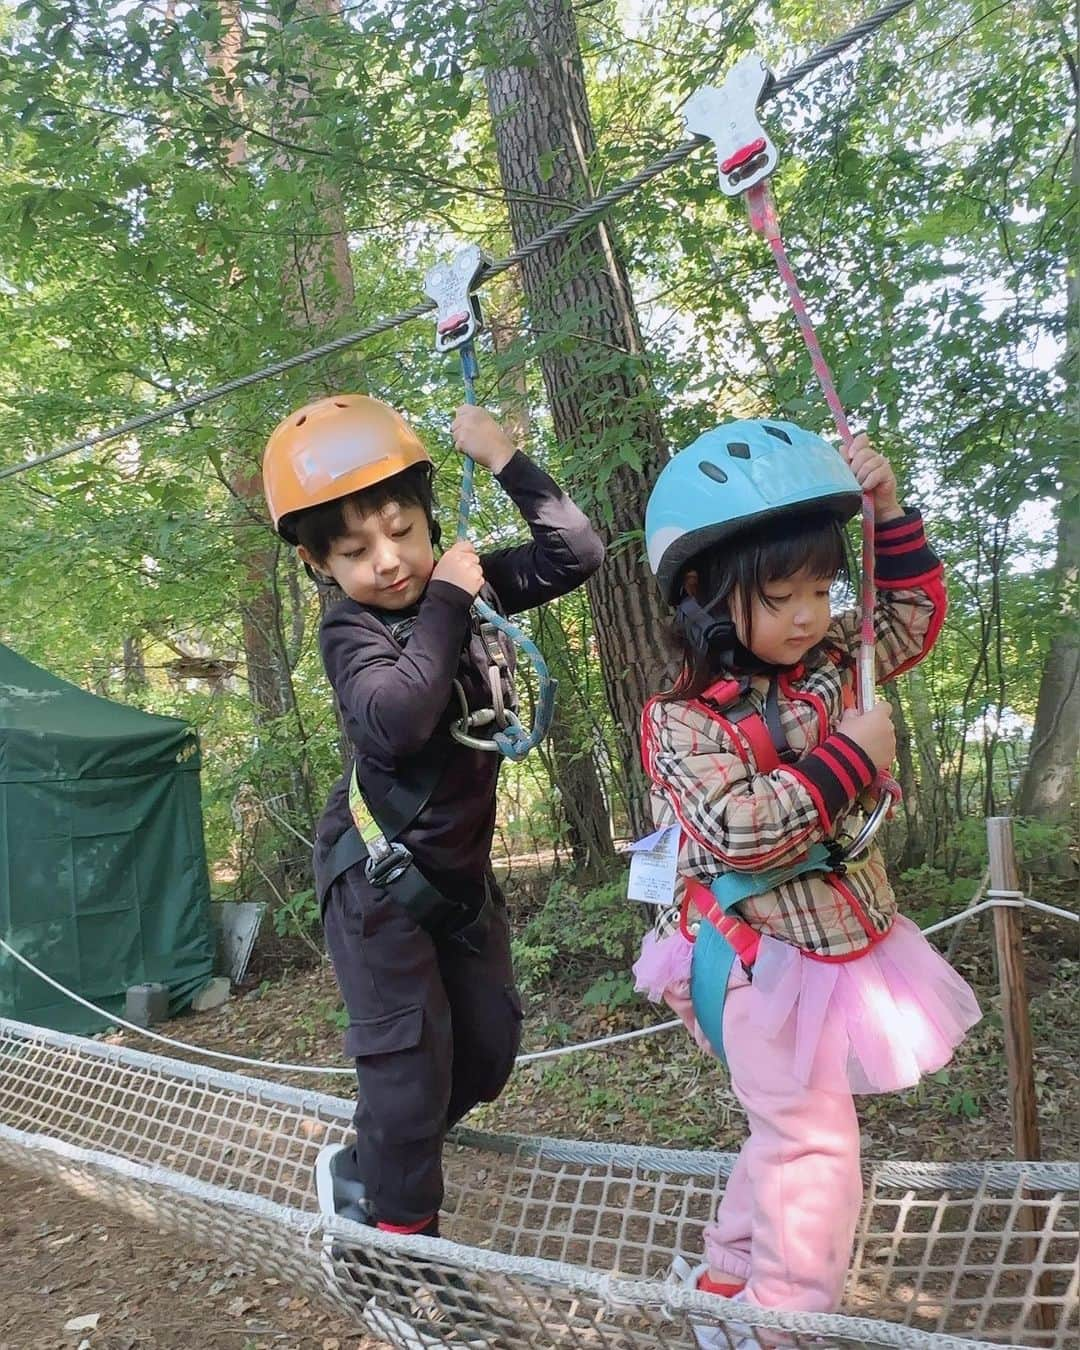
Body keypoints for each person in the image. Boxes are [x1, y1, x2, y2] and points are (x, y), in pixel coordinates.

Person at [261, 393, 603, 1341]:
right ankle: (406, 1269)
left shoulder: (462, 581)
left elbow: (577, 552)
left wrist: (506, 459)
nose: (389, 560)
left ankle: (374, 1168)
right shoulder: (353, 632)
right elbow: (398, 718)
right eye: (356, 551)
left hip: (455, 887)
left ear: (425, 516)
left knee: (484, 1054)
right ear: (318, 565)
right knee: (410, 1080)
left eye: (402, 529)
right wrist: (451, 596)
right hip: (376, 886)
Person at [632, 418, 980, 1328]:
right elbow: (738, 832)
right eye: (781, 594)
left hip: (830, 952)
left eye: (822, 588)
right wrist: (849, 761)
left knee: (786, 1133)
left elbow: (907, 619)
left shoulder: (834, 663)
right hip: (754, 959)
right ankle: (781, 1323)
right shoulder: (680, 722)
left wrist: (890, 511)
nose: (809, 615)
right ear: (704, 597)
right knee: (815, 1152)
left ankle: (726, 1286)